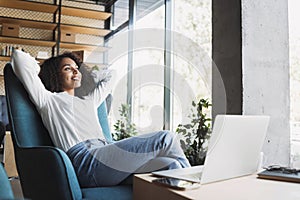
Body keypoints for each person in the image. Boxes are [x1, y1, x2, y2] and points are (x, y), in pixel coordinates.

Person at [11, 50, 190, 187]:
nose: (75, 72)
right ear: (54, 75)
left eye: (76, 69)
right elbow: (18, 58)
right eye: (67, 69)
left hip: (106, 156)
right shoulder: (48, 100)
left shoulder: (89, 99)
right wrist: (39, 69)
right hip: (85, 161)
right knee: (166, 138)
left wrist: (89, 75)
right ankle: (197, 188)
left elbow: (113, 74)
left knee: (171, 165)